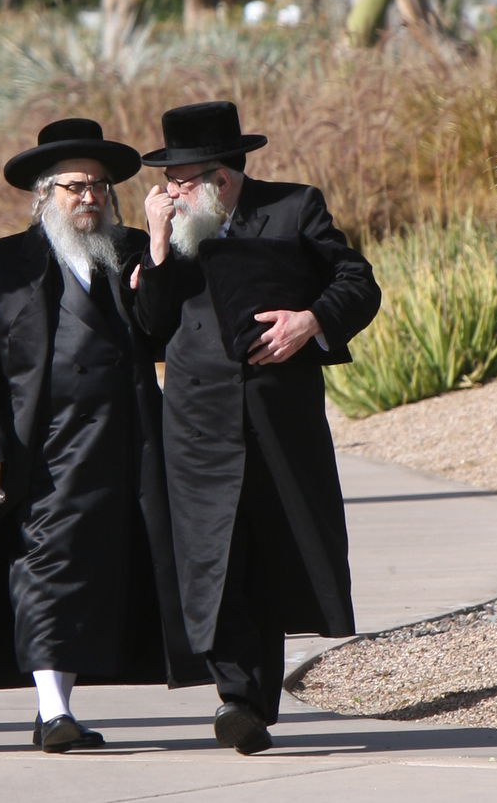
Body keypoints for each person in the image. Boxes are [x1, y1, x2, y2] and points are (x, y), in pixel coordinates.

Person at [0, 118, 206, 752]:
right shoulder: (0, 262)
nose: (90, 198)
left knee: (100, 572)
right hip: (39, 444)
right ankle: (52, 709)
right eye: (75, 188)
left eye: (99, 187)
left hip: (124, 443)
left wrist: (162, 248)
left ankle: (56, 709)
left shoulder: (129, 251)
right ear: (45, 194)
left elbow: (158, 332)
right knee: (42, 566)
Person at [133, 101, 380, 754]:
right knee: (212, 552)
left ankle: (252, 699)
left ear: (222, 175)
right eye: (169, 179)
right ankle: (236, 696)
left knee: (266, 553)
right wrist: (157, 243)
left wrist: (311, 320)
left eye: (183, 179)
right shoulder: (175, 232)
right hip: (195, 419)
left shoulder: (295, 208)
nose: (172, 192)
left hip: (278, 416)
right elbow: (150, 325)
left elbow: (359, 283)